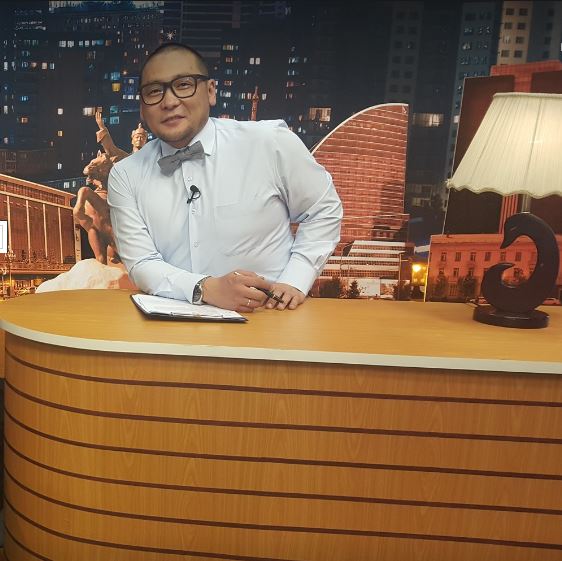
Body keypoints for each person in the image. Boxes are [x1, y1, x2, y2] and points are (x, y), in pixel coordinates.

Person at [107, 43, 342, 312]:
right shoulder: (125, 175)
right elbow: (141, 263)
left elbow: (323, 208)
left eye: (183, 85)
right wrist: (205, 289)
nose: (169, 102)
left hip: (270, 318)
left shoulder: (269, 143)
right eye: (154, 92)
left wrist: (295, 280)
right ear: (142, 107)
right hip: (171, 325)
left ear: (210, 91)